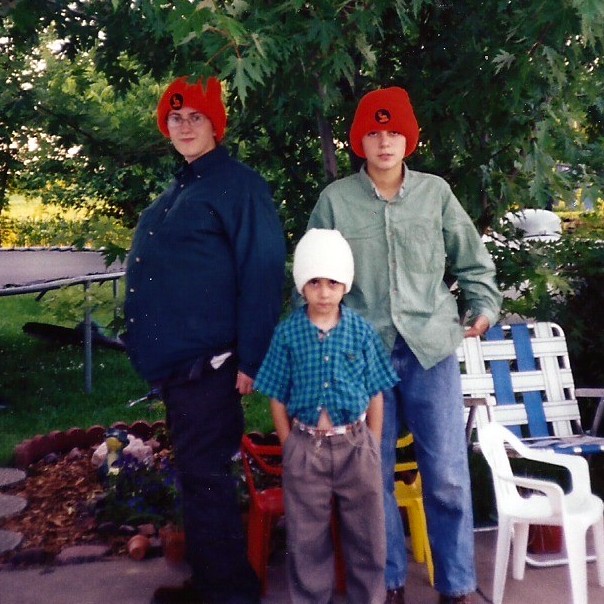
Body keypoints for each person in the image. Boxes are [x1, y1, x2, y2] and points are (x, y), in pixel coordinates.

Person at [307, 87, 502, 604]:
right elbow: (311, 277)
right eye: (374, 131)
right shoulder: (336, 201)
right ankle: (386, 583)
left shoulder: (436, 193)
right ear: (359, 140)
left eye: (394, 131)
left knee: (448, 477)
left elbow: (474, 264)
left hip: (430, 351)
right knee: (370, 479)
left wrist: (482, 309)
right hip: (361, 357)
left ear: (409, 138)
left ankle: (457, 585)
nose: (385, 141)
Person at [123, 75, 286, 604]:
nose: (185, 125)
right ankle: (215, 584)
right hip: (179, 364)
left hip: (212, 364)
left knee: (206, 477)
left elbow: (262, 271)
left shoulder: (240, 186)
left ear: (216, 123)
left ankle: (230, 594)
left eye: (195, 116)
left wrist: (252, 357)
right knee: (198, 477)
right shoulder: (181, 187)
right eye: (175, 117)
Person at [254, 228, 399, 604]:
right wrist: (289, 445)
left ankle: (369, 598)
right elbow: (276, 395)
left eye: (332, 282)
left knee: (367, 535)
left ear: (344, 286)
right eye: (314, 282)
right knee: (306, 539)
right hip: (306, 448)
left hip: (355, 446)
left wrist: (373, 443)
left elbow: (376, 392)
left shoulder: (361, 332)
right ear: (302, 285)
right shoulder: (287, 334)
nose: (323, 291)